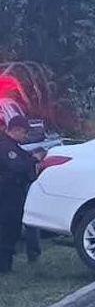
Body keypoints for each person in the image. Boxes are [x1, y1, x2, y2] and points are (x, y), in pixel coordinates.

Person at [0, 116, 39, 274]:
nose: (26, 136)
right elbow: (18, 167)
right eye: (24, 133)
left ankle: (5, 265)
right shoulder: (5, 147)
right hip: (7, 193)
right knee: (8, 228)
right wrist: (33, 162)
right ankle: (4, 267)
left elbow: (24, 158)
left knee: (12, 228)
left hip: (13, 193)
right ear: (15, 130)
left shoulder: (13, 146)